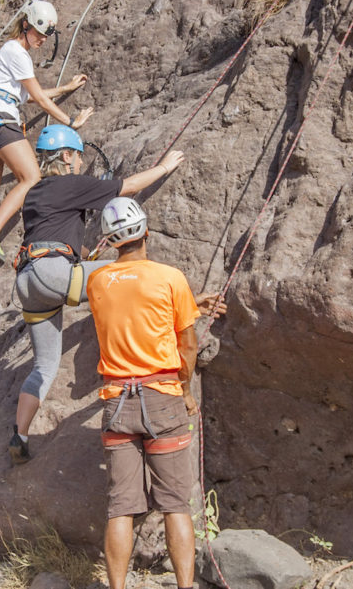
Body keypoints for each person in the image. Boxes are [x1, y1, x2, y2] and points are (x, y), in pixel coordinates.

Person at [9, 124, 186, 463]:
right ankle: (146, 354)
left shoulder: (35, 192)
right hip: (53, 273)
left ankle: (20, 435)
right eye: (77, 157)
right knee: (129, 275)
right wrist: (165, 167)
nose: (79, 163)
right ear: (65, 155)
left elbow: (52, 231)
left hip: (28, 281)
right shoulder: (70, 183)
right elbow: (127, 188)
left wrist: (81, 252)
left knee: (44, 366)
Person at [85, 197, 225, 589]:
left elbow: (128, 307)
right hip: (162, 396)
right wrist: (186, 391)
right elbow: (187, 346)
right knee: (175, 504)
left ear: (112, 241)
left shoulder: (98, 282)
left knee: (121, 507)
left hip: (116, 402)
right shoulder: (170, 278)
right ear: (145, 231)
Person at [0, 0, 94, 273]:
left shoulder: (12, 53)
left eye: (47, 35)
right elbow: (36, 95)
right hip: (1, 120)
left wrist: (65, 88)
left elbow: (30, 96)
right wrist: (70, 121)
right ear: (25, 25)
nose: (43, 40)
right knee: (32, 177)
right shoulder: (16, 51)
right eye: (39, 33)